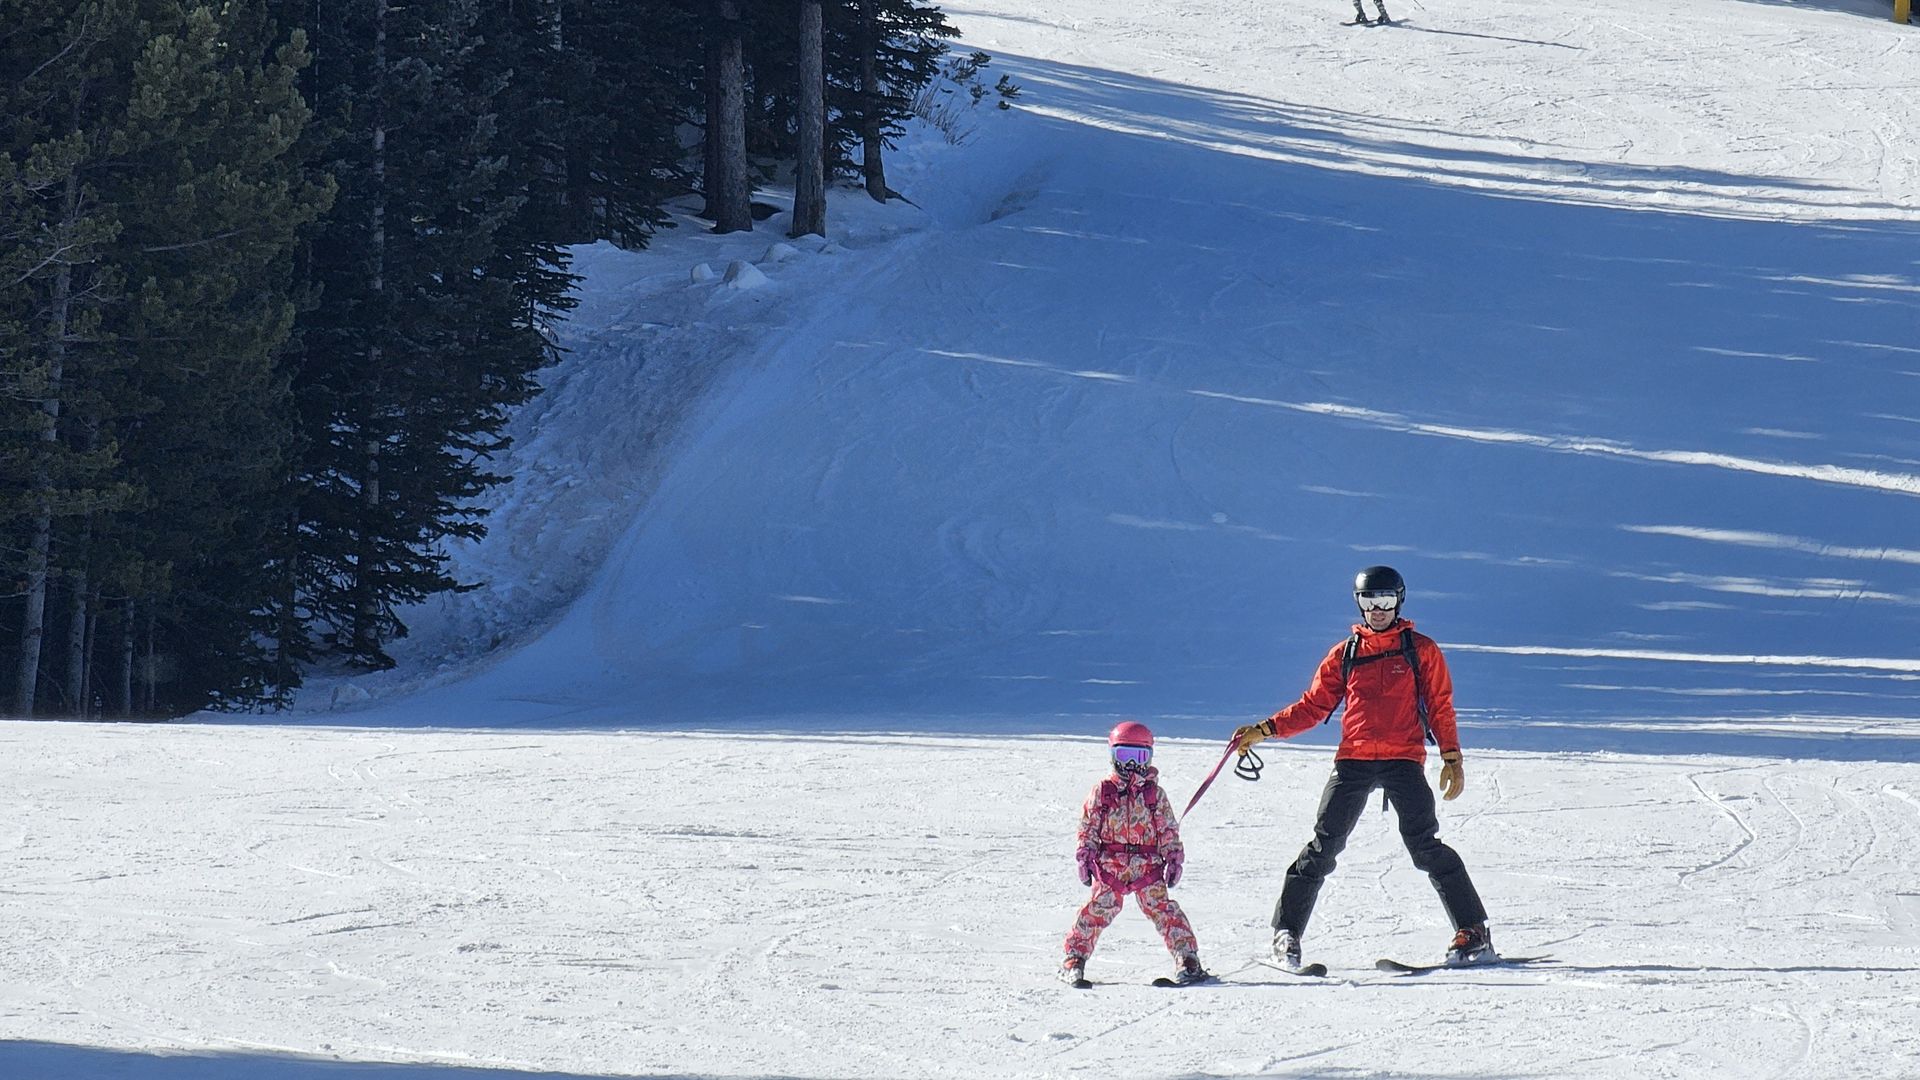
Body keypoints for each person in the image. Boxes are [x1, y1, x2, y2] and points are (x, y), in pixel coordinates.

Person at [1232, 565, 1493, 970]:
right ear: (1359, 603)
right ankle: (1286, 934)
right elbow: (1313, 705)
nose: (1378, 610)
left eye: (1386, 601)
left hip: (1403, 758)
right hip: (1353, 759)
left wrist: (1452, 757)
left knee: (1425, 846)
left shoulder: (1420, 650)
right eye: (1370, 601)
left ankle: (1473, 931)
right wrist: (1265, 729)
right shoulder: (1346, 654)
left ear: (1399, 601)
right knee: (1323, 846)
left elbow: (1440, 705)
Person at [1059, 721, 1213, 987]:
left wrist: (1173, 857)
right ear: (1113, 755)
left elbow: (1167, 829)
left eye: (1138, 757)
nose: (1130, 765)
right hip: (1111, 866)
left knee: (1163, 909)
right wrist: (1085, 853)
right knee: (1097, 909)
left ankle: (1187, 960)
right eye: (1124, 756)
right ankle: (1074, 960)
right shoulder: (1103, 791)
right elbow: (1088, 825)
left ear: (1149, 757)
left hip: (1147, 866)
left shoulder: (1154, 795)